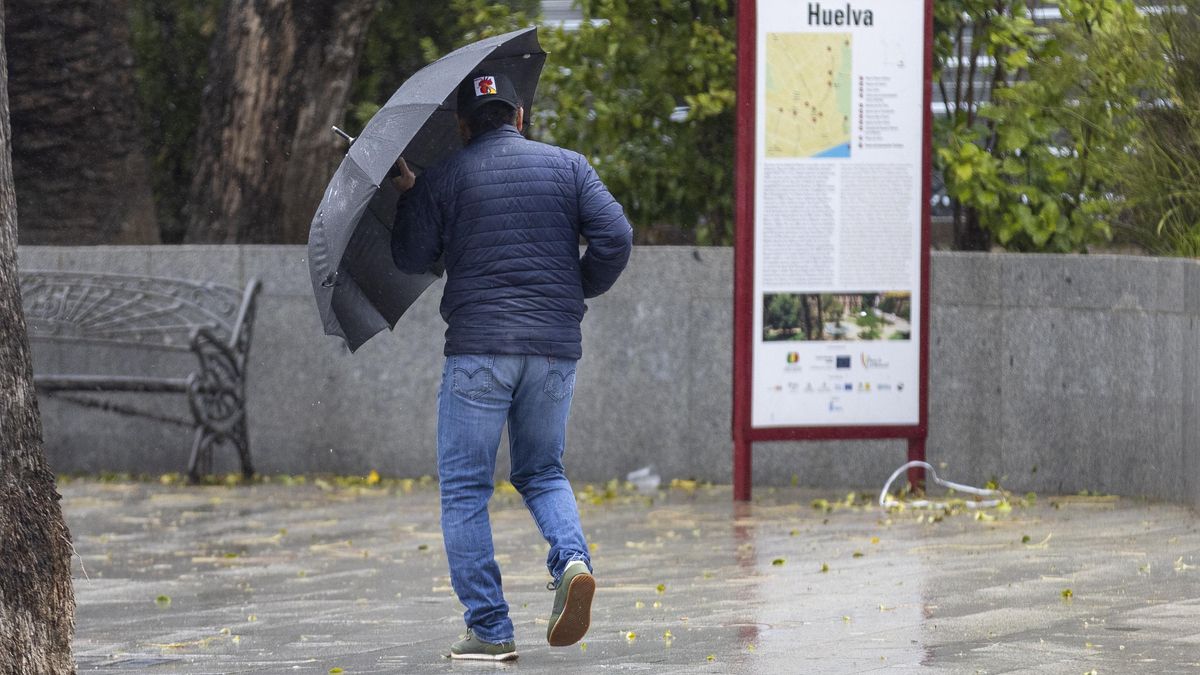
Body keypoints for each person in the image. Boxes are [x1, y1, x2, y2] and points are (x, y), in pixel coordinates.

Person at [389, 71, 633, 661]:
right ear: (519, 116)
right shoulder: (569, 166)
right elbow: (617, 236)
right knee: (543, 472)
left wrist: (413, 194)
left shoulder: (446, 175)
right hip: (552, 350)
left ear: (463, 125)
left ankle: (490, 629)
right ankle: (571, 560)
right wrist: (576, 288)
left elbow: (410, 257)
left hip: (478, 352)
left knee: (467, 489)